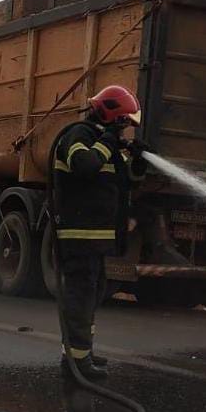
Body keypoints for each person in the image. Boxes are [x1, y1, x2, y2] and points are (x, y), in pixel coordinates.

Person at [48, 85, 147, 380]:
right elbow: (85, 167)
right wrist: (108, 140)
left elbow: (125, 180)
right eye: (124, 122)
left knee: (92, 296)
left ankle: (81, 353)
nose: (126, 129)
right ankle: (77, 363)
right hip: (79, 236)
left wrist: (139, 159)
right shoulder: (78, 136)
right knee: (80, 297)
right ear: (112, 115)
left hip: (98, 239)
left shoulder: (106, 145)